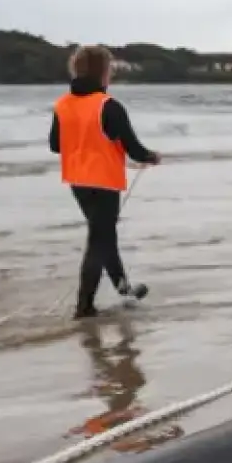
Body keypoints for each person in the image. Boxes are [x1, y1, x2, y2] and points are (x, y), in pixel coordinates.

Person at [48, 44, 161, 319]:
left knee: (104, 235)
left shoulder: (62, 105)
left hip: (77, 181)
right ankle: (84, 306)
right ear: (104, 72)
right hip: (103, 182)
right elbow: (135, 150)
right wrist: (152, 157)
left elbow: (55, 145)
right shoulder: (108, 106)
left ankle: (124, 289)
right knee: (99, 240)